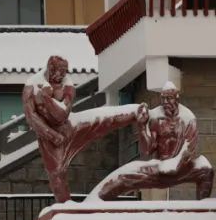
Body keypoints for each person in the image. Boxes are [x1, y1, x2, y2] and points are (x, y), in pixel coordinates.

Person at [22, 55, 138, 202]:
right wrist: (51, 135)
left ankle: (135, 112)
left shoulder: (68, 86)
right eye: (59, 71)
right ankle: (66, 208)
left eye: (64, 72)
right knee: (57, 174)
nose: (61, 75)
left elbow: (62, 115)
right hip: (50, 139)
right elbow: (31, 117)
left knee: (101, 120)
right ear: (50, 69)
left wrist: (46, 98)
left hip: (69, 127)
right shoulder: (31, 86)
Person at [95, 83, 214, 200]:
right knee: (123, 176)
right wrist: (142, 126)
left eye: (169, 98)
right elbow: (148, 149)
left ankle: (202, 213)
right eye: (163, 98)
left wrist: (176, 164)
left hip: (182, 167)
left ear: (177, 98)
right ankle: (95, 202)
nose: (165, 102)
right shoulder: (156, 116)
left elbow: (189, 147)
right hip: (159, 168)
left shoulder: (188, 117)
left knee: (206, 170)